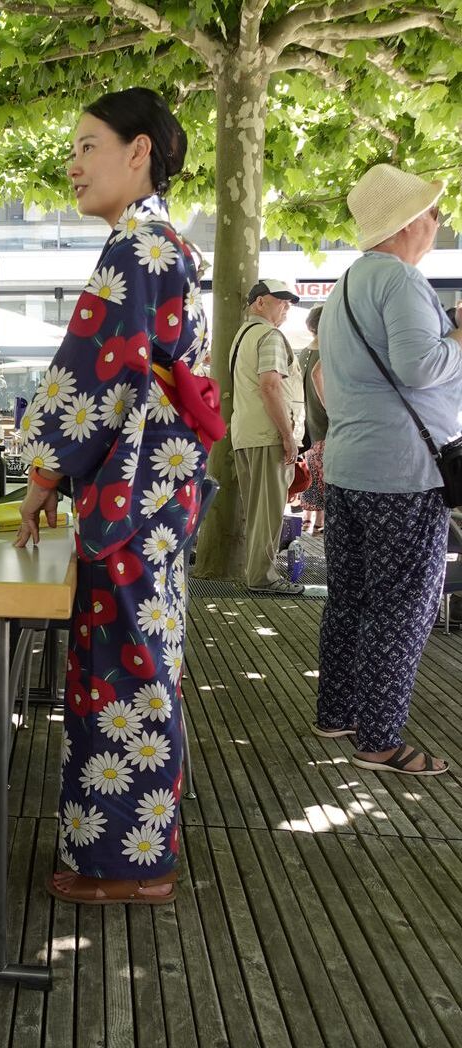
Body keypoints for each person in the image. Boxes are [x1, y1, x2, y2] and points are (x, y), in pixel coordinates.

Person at [15, 87, 218, 905]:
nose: (72, 163)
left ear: (140, 153)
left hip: (133, 495)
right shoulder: (166, 242)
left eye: (88, 145)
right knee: (144, 660)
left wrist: (40, 476)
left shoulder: (136, 248)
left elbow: (95, 374)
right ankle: (132, 851)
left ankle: (127, 865)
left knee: (124, 667)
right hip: (158, 490)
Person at [316, 162, 462, 775]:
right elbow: (420, 367)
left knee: (350, 595)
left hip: (351, 463)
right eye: (432, 213)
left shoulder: (350, 282)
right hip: (403, 469)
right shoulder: (402, 282)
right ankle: (379, 739)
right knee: (403, 604)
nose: (437, 223)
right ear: (406, 224)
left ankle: (339, 711)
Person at [229, 278, 305, 594]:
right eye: (281, 300)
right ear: (261, 302)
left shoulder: (242, 335)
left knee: (260, 508)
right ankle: (263, 577)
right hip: (267, 434)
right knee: (270, 510)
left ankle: (258, 574)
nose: (286, 307)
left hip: (246, 432)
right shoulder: (269, 335)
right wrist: (288, 436)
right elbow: (270, 385)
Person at [299, 306, 327, 534]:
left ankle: (309, 521)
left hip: (306, 427)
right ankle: (319, 524)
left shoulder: (303, 353)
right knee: (325, 481)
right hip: (325, 425)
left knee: (311, 477)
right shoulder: (327, 352)